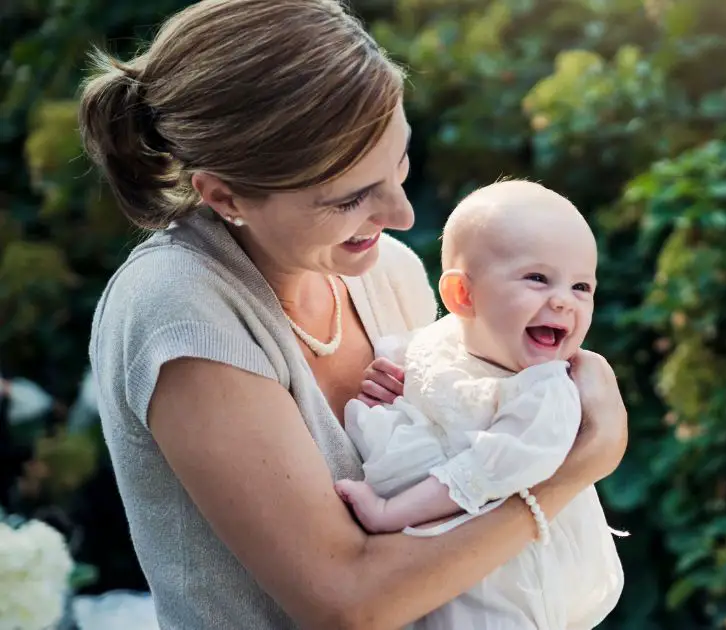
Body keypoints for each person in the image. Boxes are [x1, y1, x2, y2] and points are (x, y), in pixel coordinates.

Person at [79, 1, 628, 628]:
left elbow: (455, 506)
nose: (401, 215)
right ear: (224, 196)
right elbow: (349, 603)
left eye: (399, 165)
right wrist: (573, 465)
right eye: (351, 197)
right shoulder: (180, 310)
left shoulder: (383, 268)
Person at [333, 179, 625, 629]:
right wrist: (389, 383)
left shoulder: (546, 393)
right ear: (462, 296)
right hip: (438, 572)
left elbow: (484, 473)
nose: (564, 301)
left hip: (512, 584)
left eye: (582, 286)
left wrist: (391, 512)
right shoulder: (443, 341)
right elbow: (421, 378)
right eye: (538, 278)